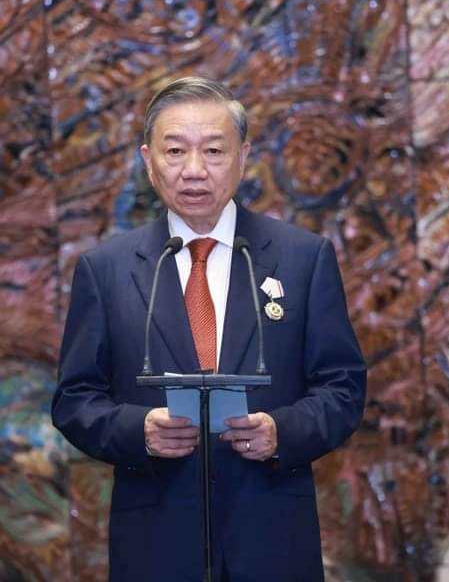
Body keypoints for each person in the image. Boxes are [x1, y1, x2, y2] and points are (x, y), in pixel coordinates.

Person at [52, 77, 366, 582]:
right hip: (155, 546)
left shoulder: (303, 259)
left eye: (214, 151)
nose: (194, 170)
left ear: (243, 157)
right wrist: (139, 431)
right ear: (148, 160)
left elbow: (343, 388)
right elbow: (74, 400)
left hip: (272, 542)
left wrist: (282, 432)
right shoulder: (106, 270)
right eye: (175, 151)